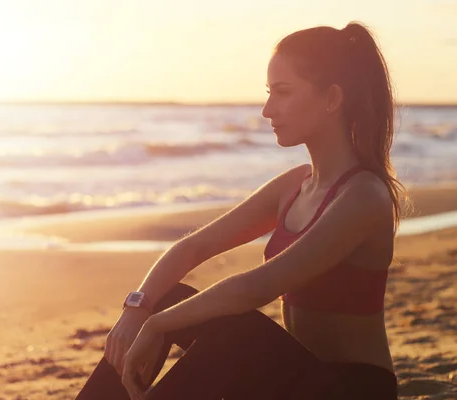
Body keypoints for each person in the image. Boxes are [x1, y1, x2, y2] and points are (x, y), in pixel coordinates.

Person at [75, 21, 410, 400]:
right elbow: (193, 248)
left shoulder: (364, 196)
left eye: (283, 93)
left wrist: (157, 325)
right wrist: (138, 309)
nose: (268, 109)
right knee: (172, 296)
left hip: (350, 389)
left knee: (231, 330)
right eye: (269, 93)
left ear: (332, 99)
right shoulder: (295, 185)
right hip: (292, 380)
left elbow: (258, 286)